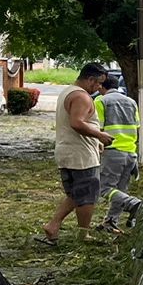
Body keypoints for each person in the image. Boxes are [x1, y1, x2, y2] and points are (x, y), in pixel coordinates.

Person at [38, 62, 113, 244]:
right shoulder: (81, 97)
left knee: (74, 193)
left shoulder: (68, 91)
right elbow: (77, 123)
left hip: (68, 151)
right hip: (81, 155)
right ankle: (83, 234)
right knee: (87, 195)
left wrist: (95, 140)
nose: (99, 88)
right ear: (90, 80)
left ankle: (53, 225)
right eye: (97, 84)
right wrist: (100, 135)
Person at [93, 74, 142, 231]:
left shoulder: (101, 101)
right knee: (120, 190)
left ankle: (134, 204)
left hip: (113, 151)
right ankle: (111, 221)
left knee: (104, 188)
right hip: (131, 152)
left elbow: (97, 128)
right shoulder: (131, 102)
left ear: (101, 86)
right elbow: (137, 126)